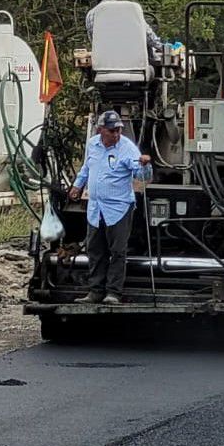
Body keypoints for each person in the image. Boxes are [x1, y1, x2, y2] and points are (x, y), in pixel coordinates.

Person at [67, 110, 153, 303]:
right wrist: (77, 186)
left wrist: (145, 165)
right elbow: (86, 168)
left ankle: (113, 292)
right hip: (96, 207)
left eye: (118, 130)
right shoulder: (93, 144)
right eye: (112, 130)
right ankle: (95, 291)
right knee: (95, 250)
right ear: (101, 130)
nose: (116, 134)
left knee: (117, 251)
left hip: (118, 207)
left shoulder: (127, 148)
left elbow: (142, 176)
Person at [85, 0, 164, 55]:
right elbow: (148, 36)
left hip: (102, 66)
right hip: (135, 64)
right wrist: (162, 48)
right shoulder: (132, 9)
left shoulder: (91, 15)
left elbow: (94, 42)